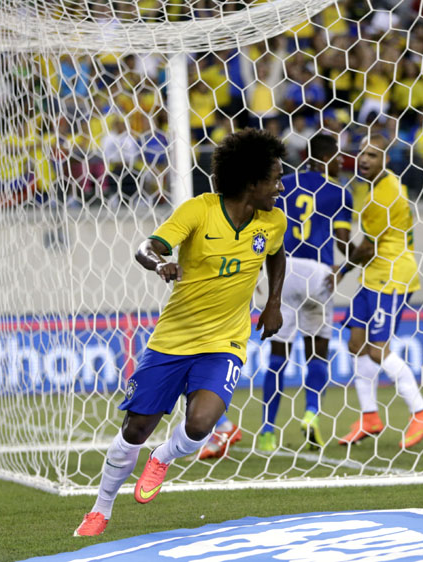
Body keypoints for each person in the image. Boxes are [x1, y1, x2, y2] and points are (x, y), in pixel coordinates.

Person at [74, 128, 288, 537]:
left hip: (224, 342)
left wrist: (273, 302)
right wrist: (160, 265)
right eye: (275, 179)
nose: (280, 187)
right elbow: (146, 247)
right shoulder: (198, 211)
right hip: (173, 340)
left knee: (201, 423)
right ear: (250, 181)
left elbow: (277, 256)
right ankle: (100, 509)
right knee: (135, 429)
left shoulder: (273, 221)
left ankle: (163, 457)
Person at [253, 133, 370, 453]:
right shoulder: (339, 192)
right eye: (337, 158)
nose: (340, 163)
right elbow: (344, 241)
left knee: (278, 355)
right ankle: (311, 414)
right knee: (317, 352)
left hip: (284, 271)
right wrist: (362, 255)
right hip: (318, 274)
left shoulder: (283, 184)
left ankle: (266, 431)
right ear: (325, 158)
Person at [338, 134, 423, 449]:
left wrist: (339, 271)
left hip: (392, 275)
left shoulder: (383, 195)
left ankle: (421, 412)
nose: (364, 159)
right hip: (373, 276)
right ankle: (369, 417)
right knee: (356, 342)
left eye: (372, 154)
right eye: (361, 153)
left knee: (379, 348)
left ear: (386, 159)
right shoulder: (378, 187)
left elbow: (367, 247)